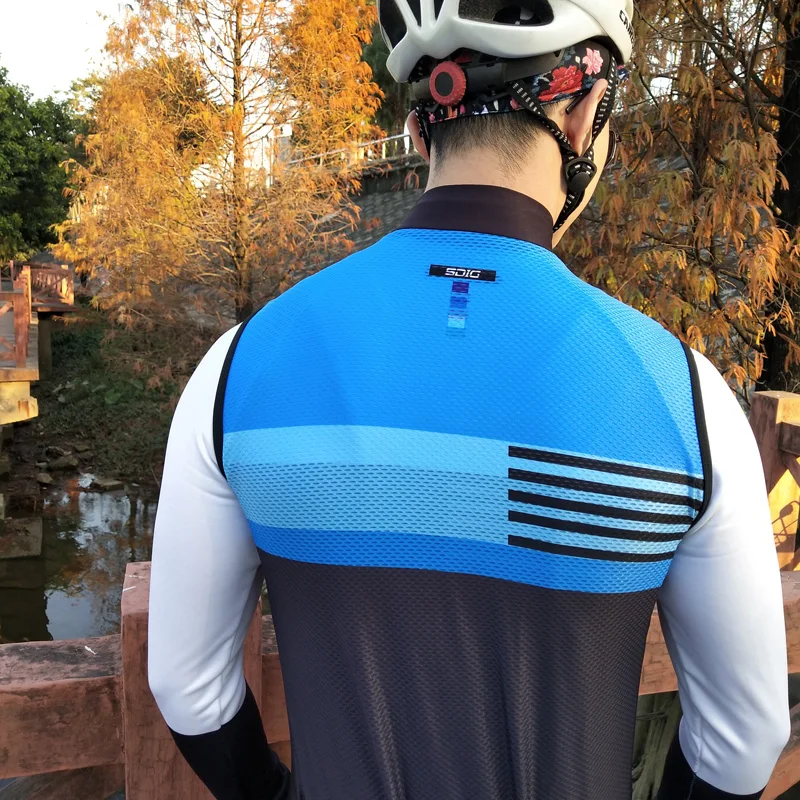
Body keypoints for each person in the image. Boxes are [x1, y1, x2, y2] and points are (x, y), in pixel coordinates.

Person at [147, 1, 790, 798]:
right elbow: (746, 738)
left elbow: (185, 684)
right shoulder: (685, 398)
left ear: (420, 133)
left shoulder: (236, 367)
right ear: (585, 114)